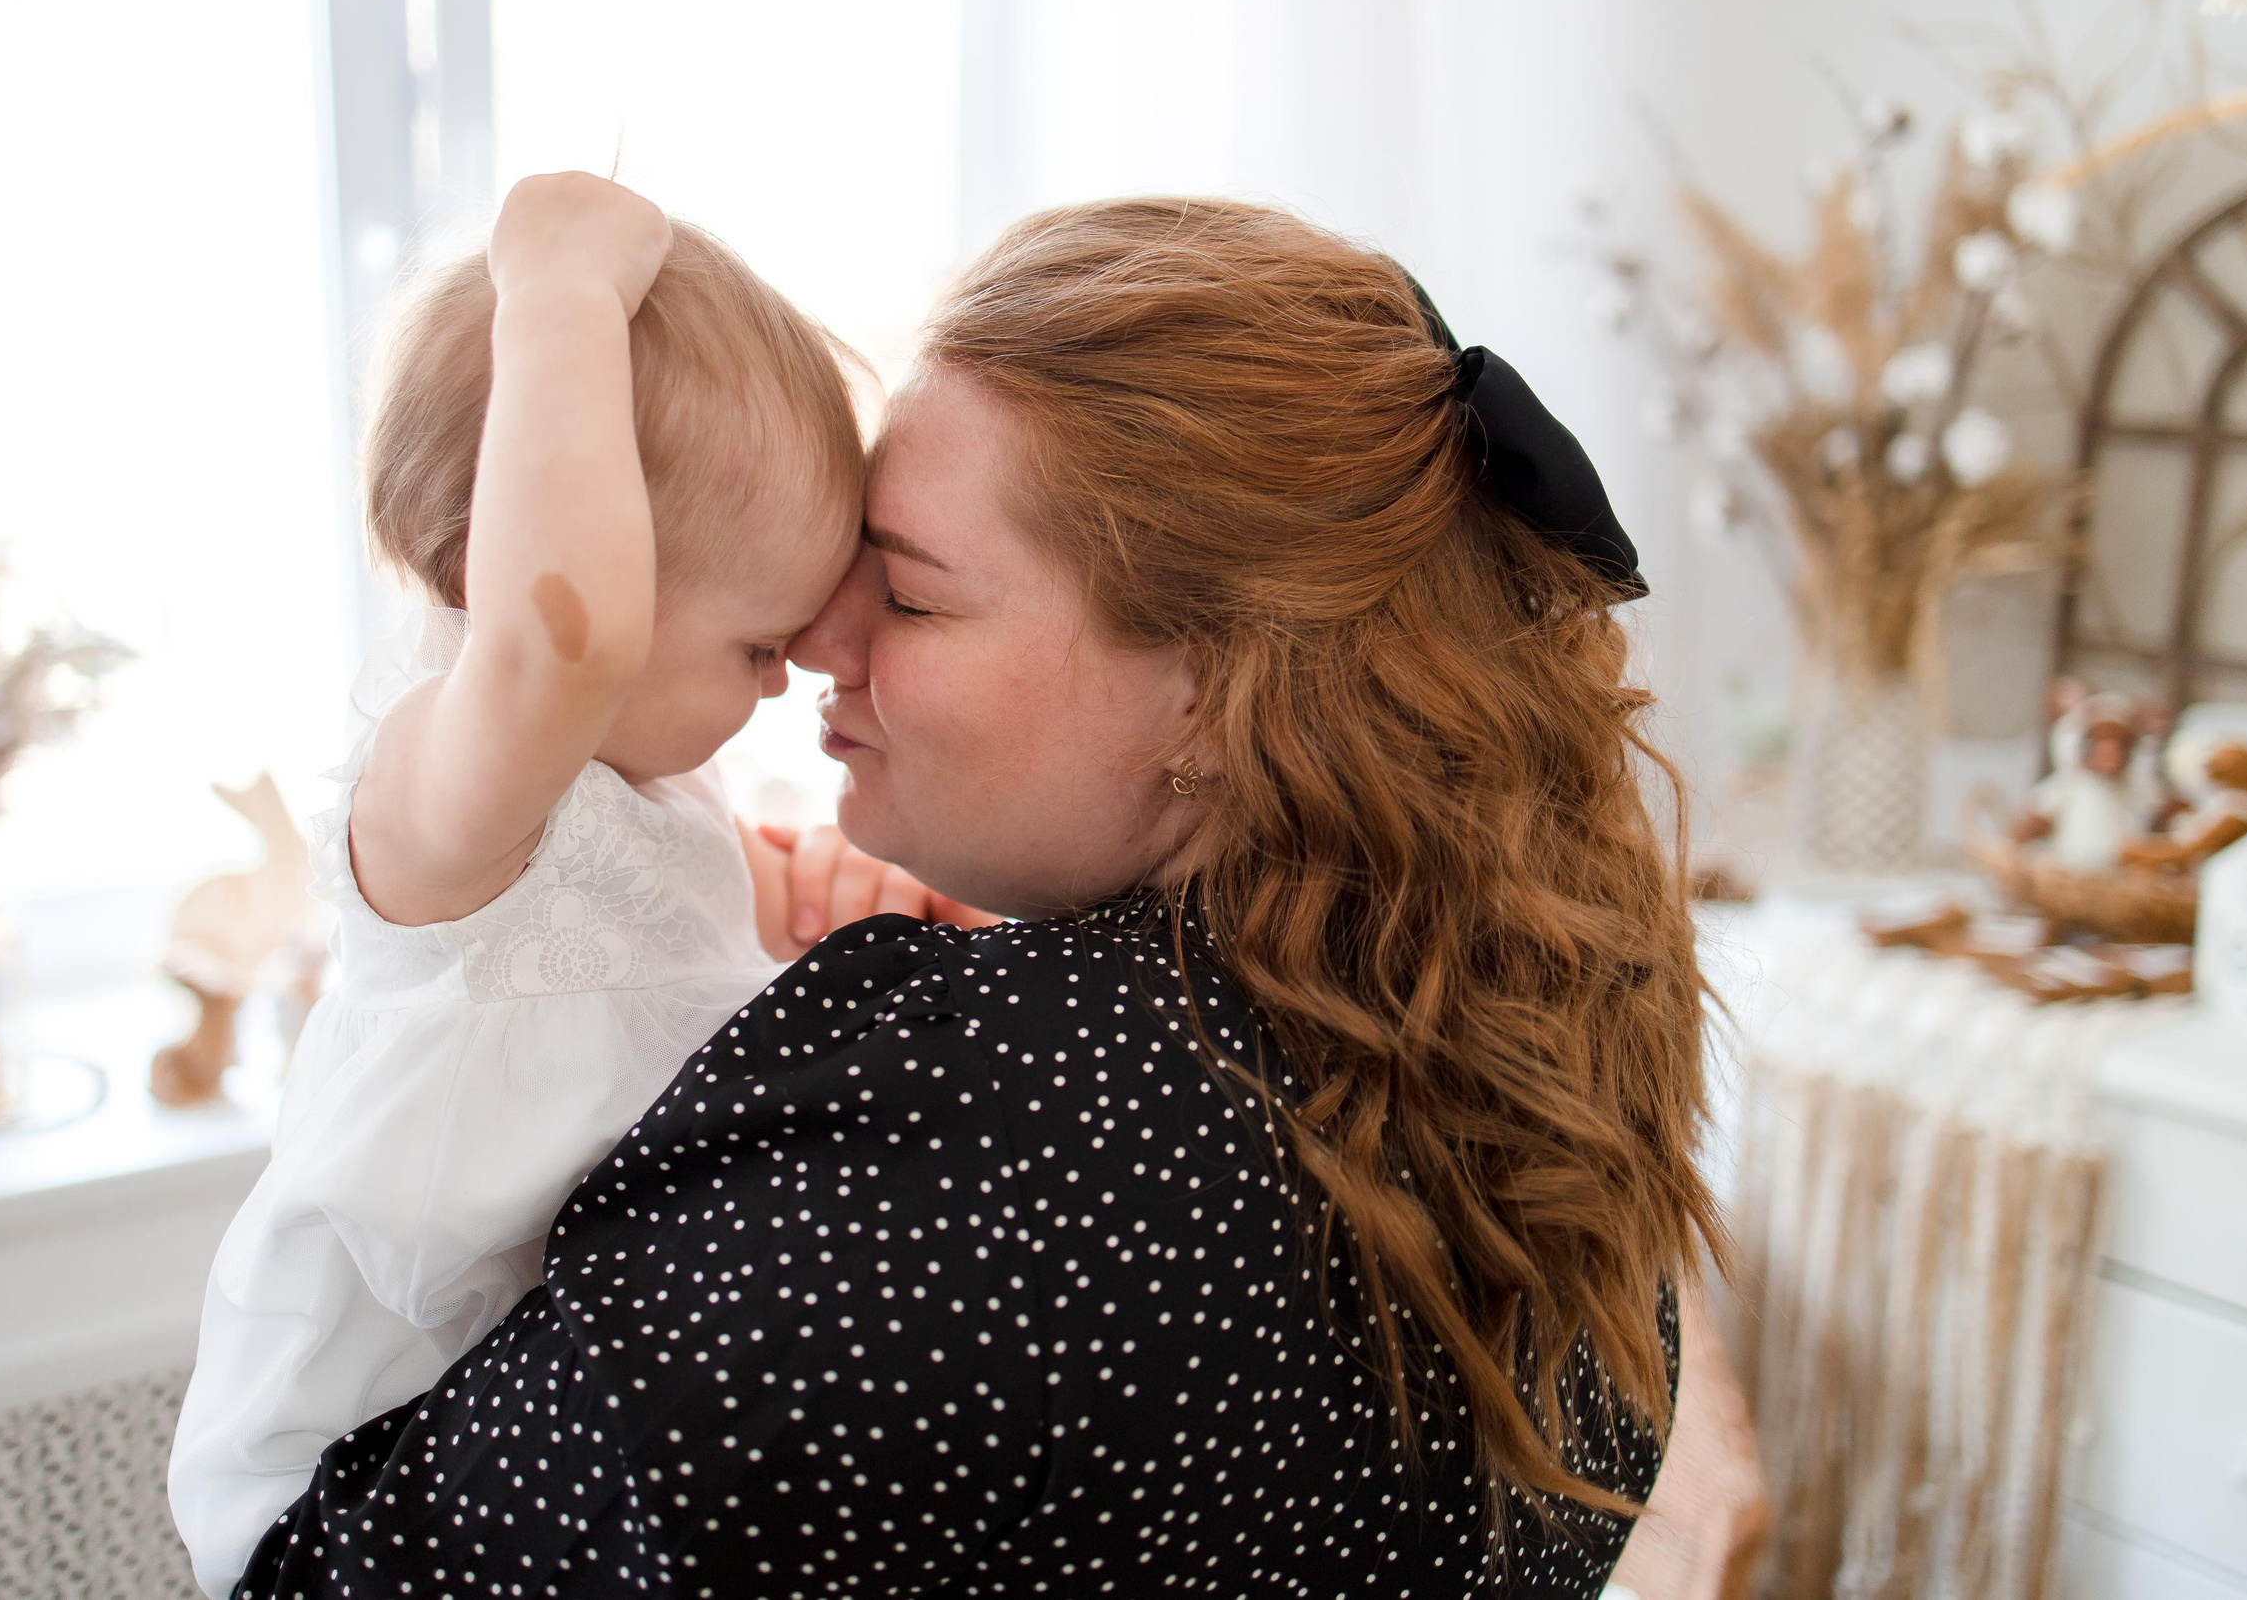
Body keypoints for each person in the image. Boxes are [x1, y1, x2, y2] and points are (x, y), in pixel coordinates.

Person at [232, 196, 1727, 1597]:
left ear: (1218, 694)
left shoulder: (983, 1115)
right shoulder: (1536, 1057)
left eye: (916, 590)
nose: (821, 641)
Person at [170, 174, 890, 1598]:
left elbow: (648, 971)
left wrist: (796, 929)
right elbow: (564, 642)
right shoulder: (445, 784)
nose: (791, 676)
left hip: (516, 1419)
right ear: (489, 569)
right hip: (349, 1466)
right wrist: (557, 287)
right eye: (756, 645)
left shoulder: (648, 787)